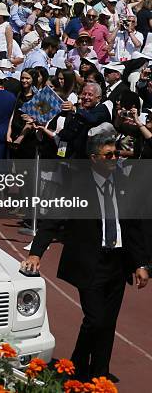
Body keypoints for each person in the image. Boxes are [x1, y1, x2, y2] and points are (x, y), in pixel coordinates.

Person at [21, 132, 149, 381]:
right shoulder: (77, 186)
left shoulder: (122, 183)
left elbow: (132, 227)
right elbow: (53, 220)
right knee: (95, 319)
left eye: (117, 154)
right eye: (109, 155)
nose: (115, 158)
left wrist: (141, 263)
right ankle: (77, 366)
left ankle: (97, 371)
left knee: (107, 322)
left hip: (118, 262)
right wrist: (37, 253)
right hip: (90, 262)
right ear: (93, 158)